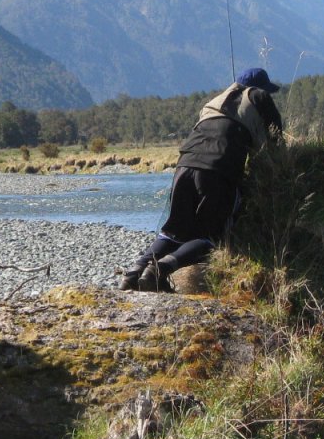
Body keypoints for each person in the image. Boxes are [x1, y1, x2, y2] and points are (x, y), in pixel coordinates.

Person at [120, 66, 283, 293]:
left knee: (174, 231)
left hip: (184, 166)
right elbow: (276, 144)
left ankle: (134, 273)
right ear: (260, 88)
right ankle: (161, 270)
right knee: (210, 237)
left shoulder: (213, 102)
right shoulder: (258, 95)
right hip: (218, 171)